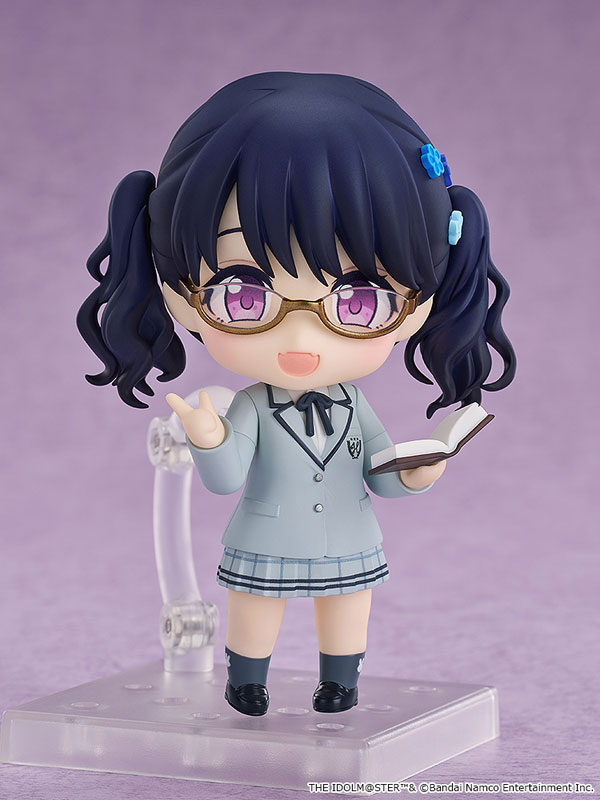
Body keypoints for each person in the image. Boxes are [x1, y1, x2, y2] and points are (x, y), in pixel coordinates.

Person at [77, 72, 516, 717]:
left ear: (420, 304)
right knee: (256, 605)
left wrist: (417, 473)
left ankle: (340, 681)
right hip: (266, 537)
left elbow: (379, 472)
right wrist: (209, 439)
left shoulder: (353, 407)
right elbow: (226, 479)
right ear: (179, 294)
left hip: (350, 536)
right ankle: (246, 680)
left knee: (348, 607)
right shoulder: (253, 407)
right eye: (243, 294)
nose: (301, 337)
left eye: (359, 300)